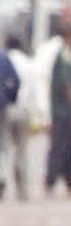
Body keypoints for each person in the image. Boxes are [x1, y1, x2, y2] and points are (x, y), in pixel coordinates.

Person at [44, 22, 71, 197]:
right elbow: (67, 85)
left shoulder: (68, 56)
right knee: (60, 146)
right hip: (64, 112)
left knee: (69, 147)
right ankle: (51, 180)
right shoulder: (64, 58)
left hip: (64, 110)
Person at [0, 35, 24, 200]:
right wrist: (9, 98)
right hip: (1, 106)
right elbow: (15, 81)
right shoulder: (3, 58)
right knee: (2, 145)